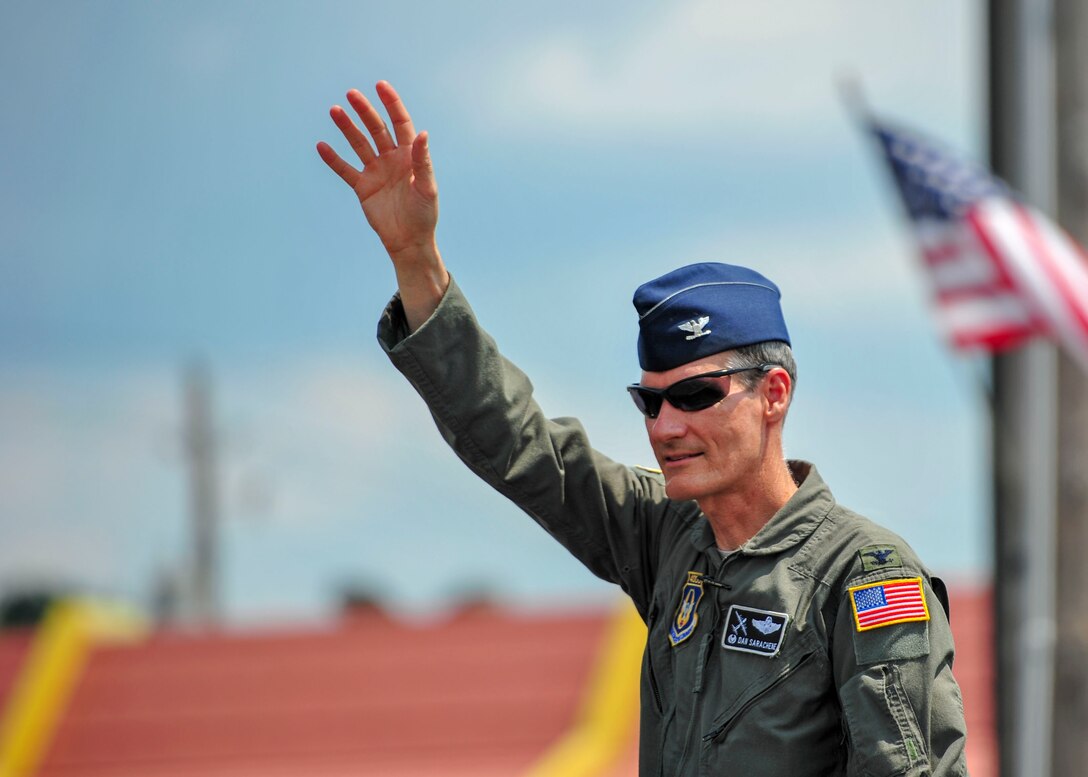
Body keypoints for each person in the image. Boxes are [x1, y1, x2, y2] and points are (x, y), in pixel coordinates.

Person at [317, 82, 970, 777]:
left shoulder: (863, 575)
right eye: (650, 401)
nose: (665, 426)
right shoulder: (668, 536)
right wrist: (416, 258)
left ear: (773, 393)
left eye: (694, 395)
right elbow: (516, 441)